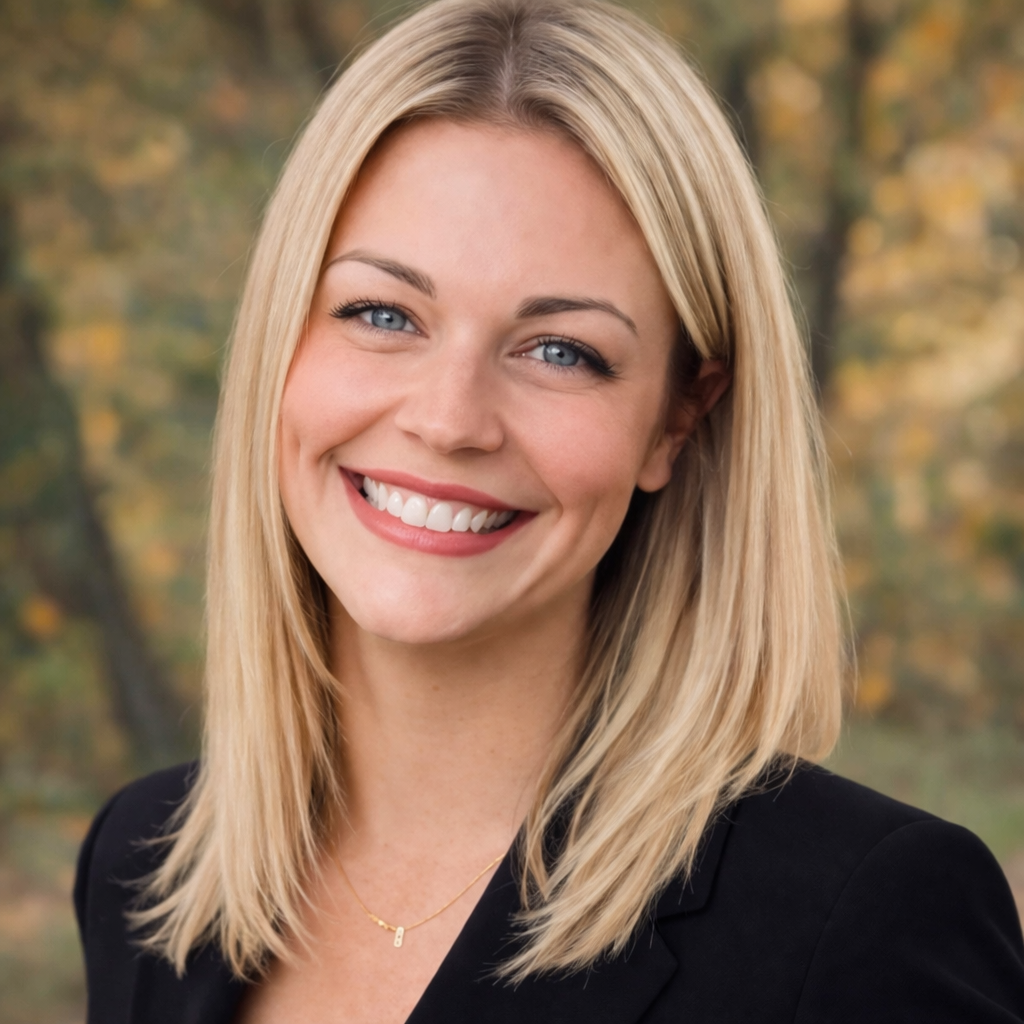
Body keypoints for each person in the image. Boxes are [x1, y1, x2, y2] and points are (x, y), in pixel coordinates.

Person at [73, 0, 1024, 1021]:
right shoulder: (141, 866)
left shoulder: (866, 917)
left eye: (560, 350)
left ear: (677, 420)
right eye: (382, 313)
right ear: (280, 345)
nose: (448, 420)